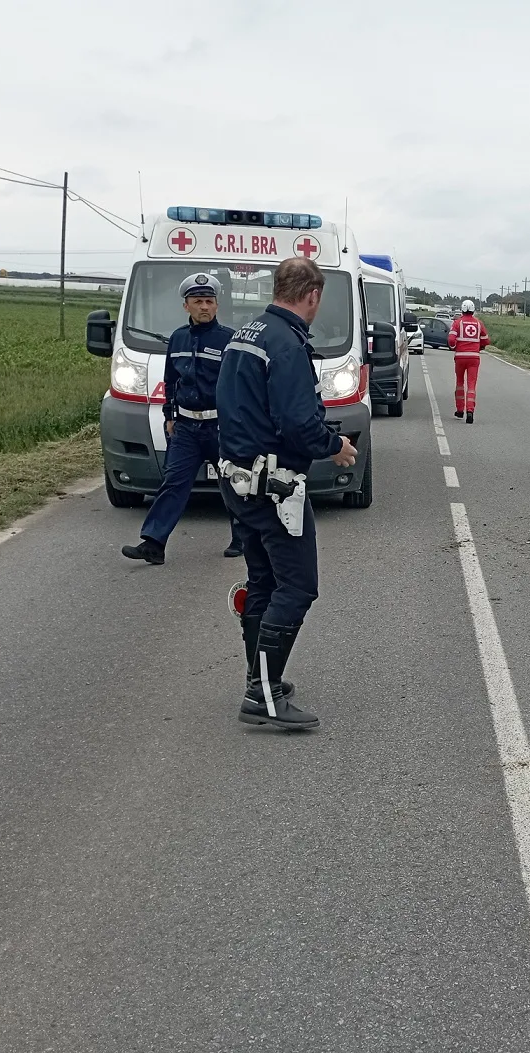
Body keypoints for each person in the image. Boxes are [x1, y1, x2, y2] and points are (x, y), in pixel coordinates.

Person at [216, 257, 358, 731]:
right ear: (312, 295)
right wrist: (334, 445)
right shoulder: (287, 345)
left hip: (239, 480)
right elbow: (298, 424)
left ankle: (259, 679)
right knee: (297, 586)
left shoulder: (247, 334)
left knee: (264, 582)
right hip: (275, 487)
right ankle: (264, 695)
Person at [121, 273, 241, 565]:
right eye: (198, 301)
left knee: (234, 483)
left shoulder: (228, 340)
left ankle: (244, 538)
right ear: (186, 305)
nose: (204, 307)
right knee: (174, 483)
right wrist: (169, 417)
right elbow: (171, 382)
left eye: (209, 301)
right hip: (186, 427)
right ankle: (153, 543)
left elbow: (238, 386)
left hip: (219, 427)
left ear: (216, 306)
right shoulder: (178, 338)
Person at [448, 299, 491, 423]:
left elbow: (451, 340)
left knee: (460, 383)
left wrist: (454, 347)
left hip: (460, 357)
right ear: (473, 310)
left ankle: (460, 410)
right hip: (474, 358)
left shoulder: (457, 323)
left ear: (462, 310)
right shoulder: (479, 323)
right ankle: (470, 411)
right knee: (471, 385)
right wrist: (479, 346)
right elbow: (486, 340)